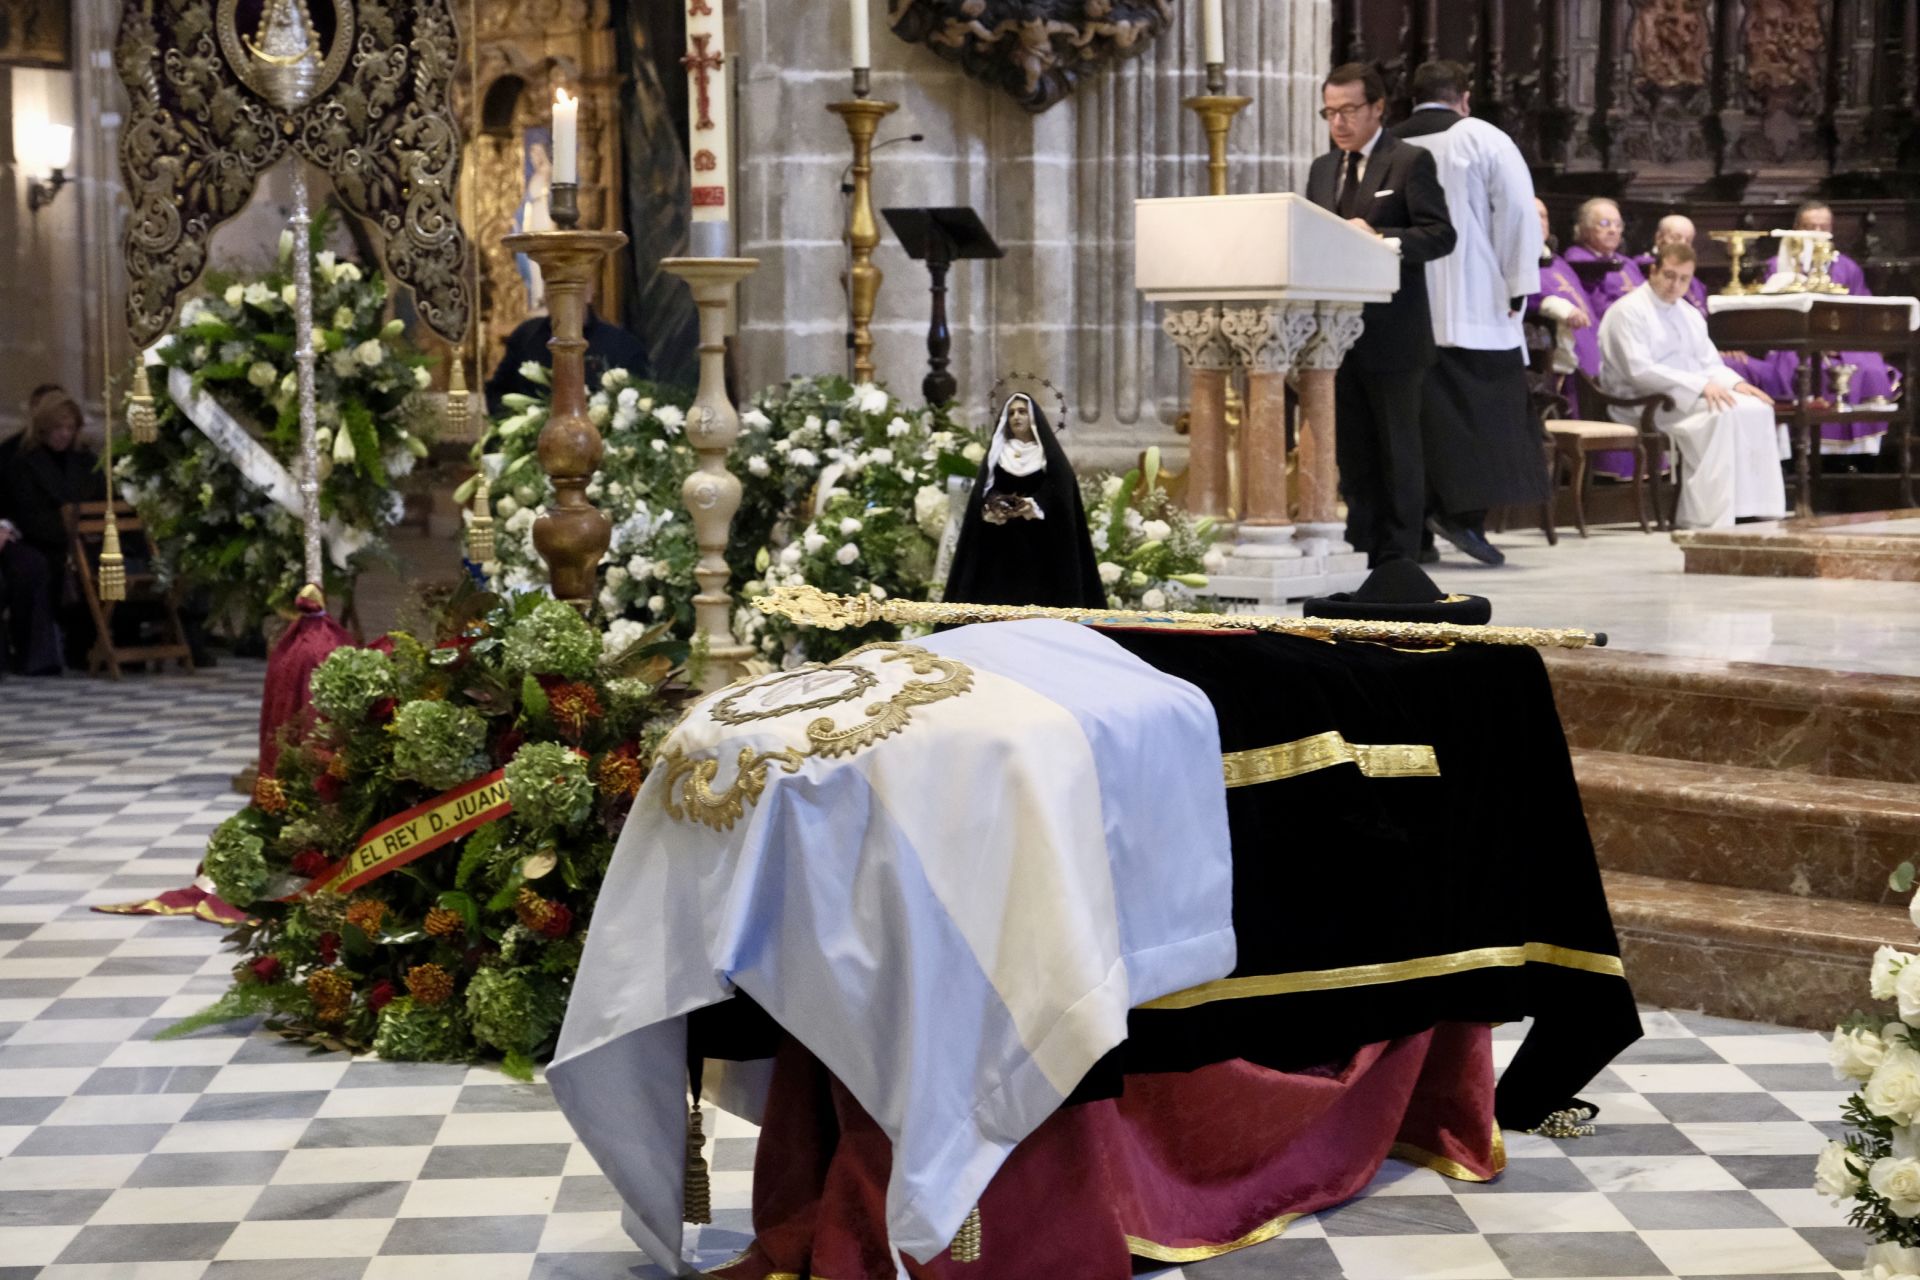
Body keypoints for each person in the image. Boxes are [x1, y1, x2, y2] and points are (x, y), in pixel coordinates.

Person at [1304, 62, 1457, 567]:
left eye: (1349, 110)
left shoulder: (1409, 161)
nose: (1339, 122)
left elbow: (1440, 235)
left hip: (1394, 332)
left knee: (1397, 449)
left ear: (1377, 108)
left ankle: (1400, 553)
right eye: (1330, 112)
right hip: (1335, 336)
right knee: (1353, 451)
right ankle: (1360, 544)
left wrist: (1384, 239)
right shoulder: (1323, 169)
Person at [1392, 59, 1543, 567]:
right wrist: (1518, 283)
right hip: (1474, 301)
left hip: (1404, 306)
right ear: (1465, 96)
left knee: (1414, 426)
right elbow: (1518, 213)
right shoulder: (1480, 137)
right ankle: (1464, 518)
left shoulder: (1389, 144)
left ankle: (1416, 533)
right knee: (1480, 421)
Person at [1597, 243, 1787, 529]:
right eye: (1669, 275)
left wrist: (1736, 383)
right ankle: (1707, 514)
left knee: (1756, 407)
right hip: (1642, 400)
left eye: (1684, 279)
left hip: (1684, 395)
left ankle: (1753, 506)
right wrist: (1700, 386)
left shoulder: (1688, 314)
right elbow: (1639, 370)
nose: (1676, 285)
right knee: (1721, 414)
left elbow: (1708, 362)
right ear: (1654, 271)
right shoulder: (1629, 311)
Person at [943, 392, 1104, 609]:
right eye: (1011, 413)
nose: (1016, 417)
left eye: (1022, 411)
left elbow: (1059, 491)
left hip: (1039, 543)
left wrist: (1034, 504)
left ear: (1033, 417)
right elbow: (987, 488)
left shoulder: (1047, 455)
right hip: (1001, 540)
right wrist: (993, 505)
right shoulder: (999, 453)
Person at [1766, 199, 1899, 457]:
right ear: (1795, 228)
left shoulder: (1847, 268)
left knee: (1870, 368)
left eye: (1822, 227)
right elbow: (1774, 313)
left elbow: (1863, 309)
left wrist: (1843, 340)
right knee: (1792, 369)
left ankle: (1860, 455)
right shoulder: (1778, 266)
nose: (1816, 234)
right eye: (1809, 227)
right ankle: (1803, 452)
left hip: (1844, 342)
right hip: (1796, 342)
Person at [1634, 214, 1793, 398]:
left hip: (1705, 354)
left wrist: (1724, 346)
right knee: (1747, 377)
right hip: (1678, 365)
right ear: (1659, 238)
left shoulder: (1693, 282)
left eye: (1688, 239)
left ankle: (1783, 419)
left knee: (1766, 373)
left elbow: (1702, 323)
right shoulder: (1644, 274)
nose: (1682, 244)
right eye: (1677, 237)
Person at [0, 387, 98, 674]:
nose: (64, 434)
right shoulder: (20, 459)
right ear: (43, 428)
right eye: (58, 428)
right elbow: (24, 510)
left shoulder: (84, 460)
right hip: (38, 539)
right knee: (38, 567)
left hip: (81, 539)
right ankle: (39, 655)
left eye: (70, 428)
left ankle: (93, 648)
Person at [484, 281, 652, 415]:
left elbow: (641, 404)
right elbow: (497, 393)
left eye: (568, 286)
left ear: (588, 291)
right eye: (551, 284)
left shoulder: (623, 345)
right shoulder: (526, 337)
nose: (558, 295)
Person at [1528, 197, 1601, 397]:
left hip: (1592, 358)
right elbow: (1517, 299)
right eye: (1533, 215)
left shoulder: (1557, 261)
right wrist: (1555, 306)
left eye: (1543, 216)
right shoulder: (1514, 262)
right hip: (1556, 367)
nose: (1540, 221)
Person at [1564, 198, 1644, 324]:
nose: (1613, 230)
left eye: (1618, 225)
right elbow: (1598, 307)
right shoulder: (1579, 261)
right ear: (1585, 229)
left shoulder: (1628, 263)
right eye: (1605, 223)